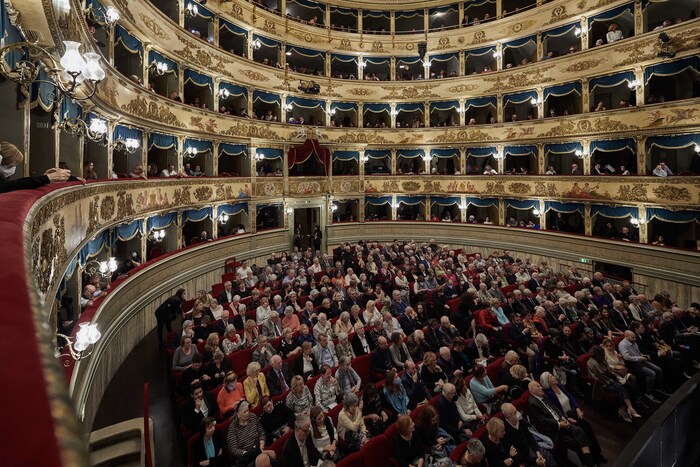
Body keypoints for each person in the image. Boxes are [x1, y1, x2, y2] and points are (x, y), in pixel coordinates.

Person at [527, 381, 598, 467]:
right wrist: (559, 424)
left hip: (562, 421)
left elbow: (554, 407)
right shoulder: (532, 403)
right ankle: (589, 463)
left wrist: (563, 417)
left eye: (540, 386)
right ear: (532, 390)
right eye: (538, 386)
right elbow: (543, 420)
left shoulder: (543, 395)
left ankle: (588, 463)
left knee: (579, 430)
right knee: (576, 442)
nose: (541, 388)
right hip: (554, 429)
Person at [540, 372, 605, 462]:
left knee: (588, 428)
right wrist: (567, 418)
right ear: (547, 381)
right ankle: (592, 459)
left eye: (552, 375)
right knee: (583, 433)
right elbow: (555, 410)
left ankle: (597, 454)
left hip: (573, 412)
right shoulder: (549, 394)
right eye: (551, 377)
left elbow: (571, 397)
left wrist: (578, 408)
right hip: (566, 417)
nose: (554, 377)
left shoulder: (559, 385)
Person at [587, 345, 641, 422]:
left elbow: (608, 370)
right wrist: (609, 374)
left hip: (608, 379)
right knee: (620, 388)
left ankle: (628, 408)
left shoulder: (601, 359)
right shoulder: (592, 363)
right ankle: (626, 409)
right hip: (602, 383)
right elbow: (601, 376)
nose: (604, 355)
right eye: (602, 354)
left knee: (622, 387)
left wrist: (608, 367)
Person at [0, 141, 74, 193]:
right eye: (11, 165)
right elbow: (10, 186)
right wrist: (47, 178)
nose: (13, 168)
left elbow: (16, 183)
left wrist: (45, 177)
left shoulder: (4, 177)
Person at [226, 401, 275, 467]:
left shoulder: (253, 417)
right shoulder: (233, 428)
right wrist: (251, 454)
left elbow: (262, 432)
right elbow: (234, 450)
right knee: (262, 460)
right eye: (244, 412)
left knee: (266, 458)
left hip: (260, 449)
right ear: (238, 415)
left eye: (248, 411)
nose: (247, 413)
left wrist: (261, 447)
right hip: (246, 457)